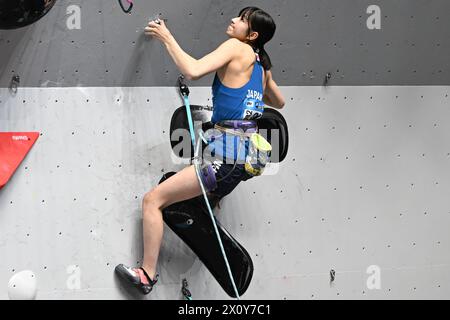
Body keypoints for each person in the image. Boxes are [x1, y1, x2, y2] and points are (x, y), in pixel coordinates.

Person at [115, 6, 285, 295]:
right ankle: (209, 200)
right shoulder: (259, 63)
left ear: (252, 34)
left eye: (242, 20)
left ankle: (146, 275)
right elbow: (278, 102)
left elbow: (192, 71)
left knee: (152, 200)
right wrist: (259, 86)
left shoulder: (236, 47)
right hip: (246, 162)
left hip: (225, 157)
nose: (233, 20)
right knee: (201, 191)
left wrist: (166, 36)